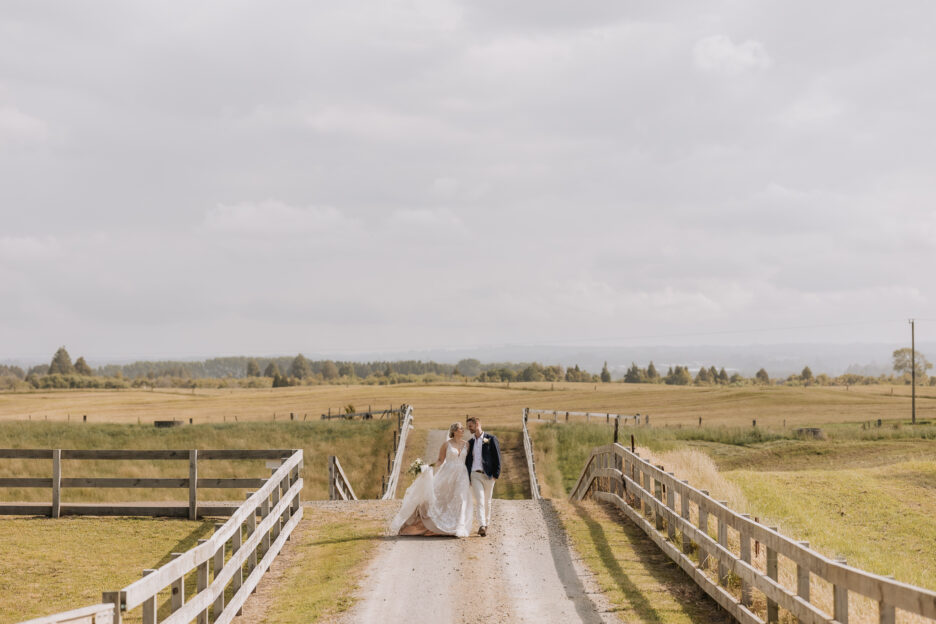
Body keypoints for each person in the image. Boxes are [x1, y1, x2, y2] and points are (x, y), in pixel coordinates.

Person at [389, 422, 473, 537]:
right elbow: (440, 460)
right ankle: (425, 526)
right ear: (454, 431)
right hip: (447, 474)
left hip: (462, 475)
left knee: (460, 499)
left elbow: (470, 461)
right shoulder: (446, 444)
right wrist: (428, 466)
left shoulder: (467, 445)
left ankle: (459, 526)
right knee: (440, 497)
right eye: (460, 429)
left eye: (463, 429)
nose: (463, 430)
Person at [464, 416, 501, 536]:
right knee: (479, 501)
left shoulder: (490, 439)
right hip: (475, 475)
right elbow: (467, 460)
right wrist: (468, 476)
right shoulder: (470, 442)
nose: (469, 429)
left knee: (487, 501)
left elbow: (497, 458)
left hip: (489, 476)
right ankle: (482, 525)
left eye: (470, 426)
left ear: (477, 424)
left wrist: (496, 475)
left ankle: (486, 523)